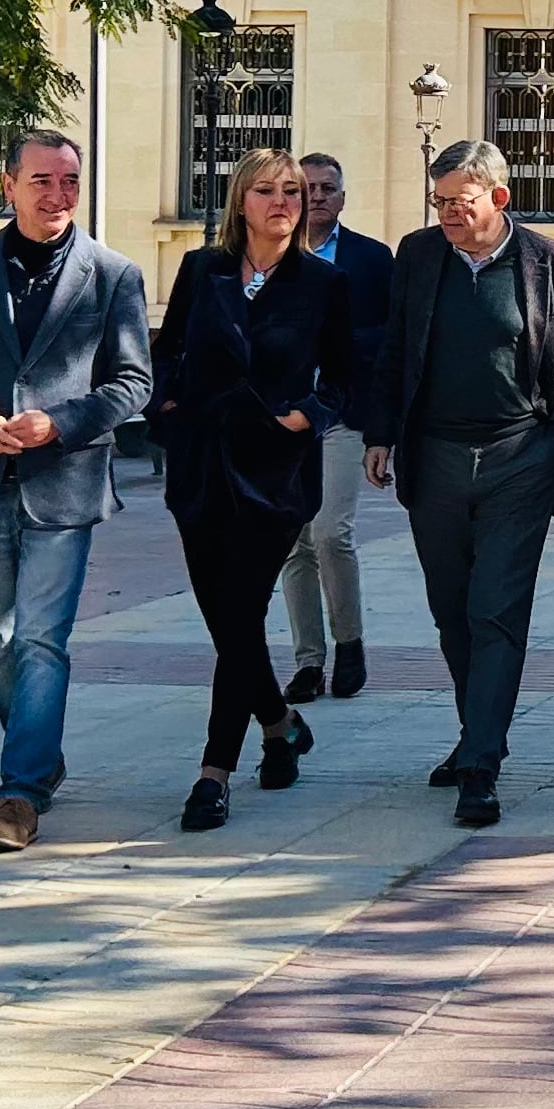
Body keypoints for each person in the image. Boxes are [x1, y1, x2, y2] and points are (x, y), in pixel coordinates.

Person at [0, 129, 153, 855]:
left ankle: (19, 792)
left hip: (65, 483)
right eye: (42, 180)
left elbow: (134, 381)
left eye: (70, 181)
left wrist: (65, 422)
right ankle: (38, 752)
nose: (57, 195)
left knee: (42, 638)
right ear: (7, 185)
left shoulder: (112, 274)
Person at [362, 140, 554, 830]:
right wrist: (380, 433)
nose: (448, 216)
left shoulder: (553, 265)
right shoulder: (419, 254)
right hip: (433, 454)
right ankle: (476, 731)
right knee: (452, 608)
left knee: (495, 608)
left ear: (498, 197)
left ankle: (481, 764)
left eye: (460, 203)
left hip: (519, 455)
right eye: (439, 203)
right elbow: (395, 346)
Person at [150, 149, 352, 833]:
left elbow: (350, 373)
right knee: (228, 624)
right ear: (241, 201)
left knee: (239, 615)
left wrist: (310, 413)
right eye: (265, 190)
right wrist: (167, 406)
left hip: (275, 475)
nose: (282, 202)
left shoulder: (321, 282)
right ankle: (278, 724)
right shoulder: (201, 270)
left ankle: (212, 773)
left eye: (292, 191)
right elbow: (169, 350)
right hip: (202, 466)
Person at [284, 151, 392, 705]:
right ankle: (308, 661)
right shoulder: (268, 256)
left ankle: (349, 642)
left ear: (343, 198)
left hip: (343, 416)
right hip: (282, 420)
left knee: (329, 531)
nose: (318, 196)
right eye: (308, 188)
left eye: (329, 188)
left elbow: (391, 342)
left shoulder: (372, 260)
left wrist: (383, 432)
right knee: (293, 543)